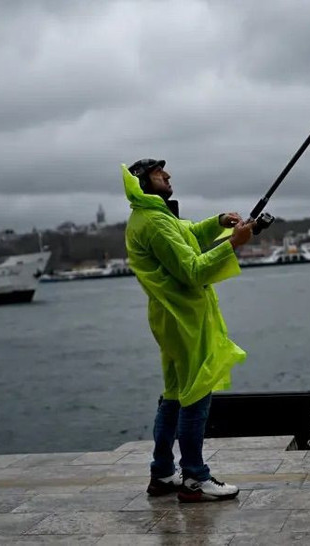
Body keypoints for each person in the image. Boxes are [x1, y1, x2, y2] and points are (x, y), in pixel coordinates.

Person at [122, 158, 254, 503]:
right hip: (183, 320)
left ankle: (163, 472)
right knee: (196, 393)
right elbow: (193, 270)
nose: (167, 176)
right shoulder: (154, 222)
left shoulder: (154, 216)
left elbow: (189, 235)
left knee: (174, 395)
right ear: (143, 183)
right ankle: (194, 477)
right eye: (158, 173)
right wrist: (233, 243)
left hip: (171, 318)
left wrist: (218, 223)